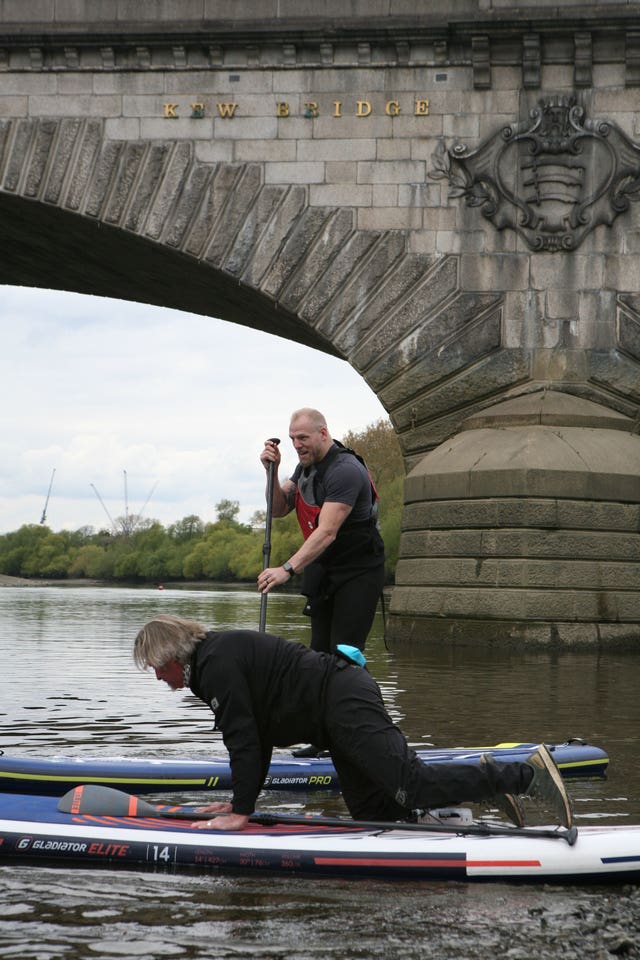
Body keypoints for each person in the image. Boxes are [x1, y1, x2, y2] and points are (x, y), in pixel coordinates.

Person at [133, 613, 573, 833]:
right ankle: (460, 807)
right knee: (375, 816)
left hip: (342, 698)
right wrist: (237, 804)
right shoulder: (210, 665)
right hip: (331, 718)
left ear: (173, 657)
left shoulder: (216, 666)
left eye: (156, 667)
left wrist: (242, 812)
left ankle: (524, 775)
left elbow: (244, 742)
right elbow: (259, 738)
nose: (157, 677)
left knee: (410, 783)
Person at [258, 408, 385, 657]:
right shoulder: (303, 469)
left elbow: (327, 532)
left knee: (345, 654)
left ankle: (363, 696)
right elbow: (278, 507)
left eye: (303, 438)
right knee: (319, 655)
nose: (296, 445)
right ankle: (322, 696)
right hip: (325, 568)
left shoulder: (345, 470)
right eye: (292, 438)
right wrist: (271, 472)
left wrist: (286, 569)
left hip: (358, 569)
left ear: (323, 433)